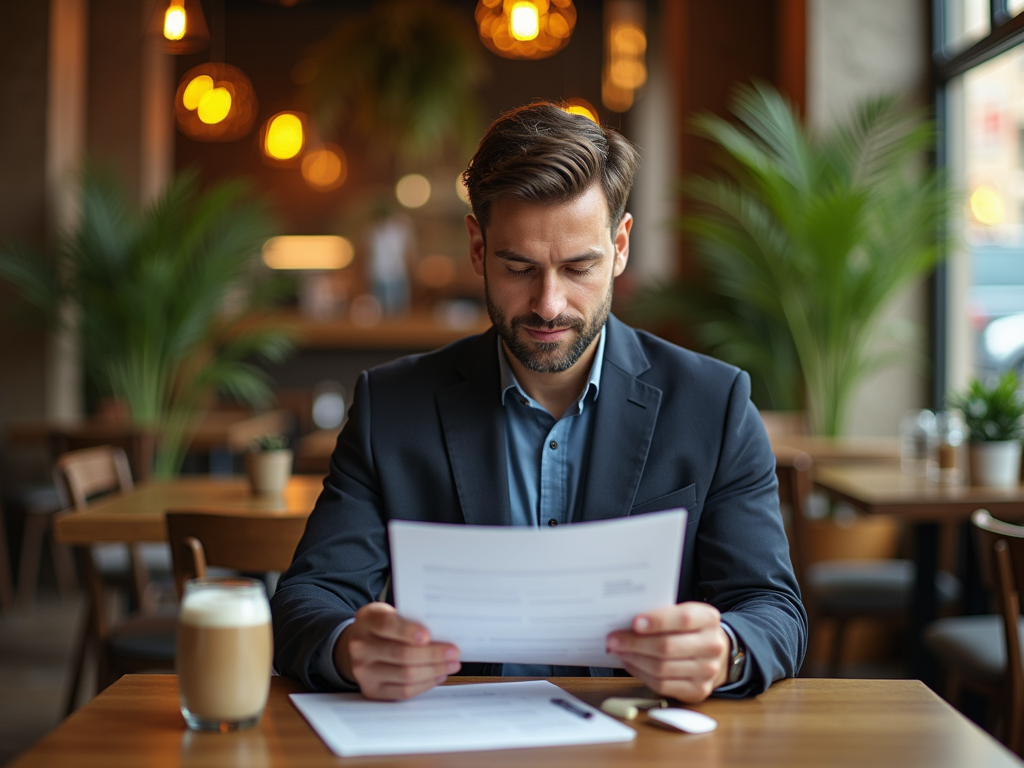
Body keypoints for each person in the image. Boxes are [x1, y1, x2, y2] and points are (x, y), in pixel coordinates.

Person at [272, 102, 806, 703]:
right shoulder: (391, 407)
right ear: (478, 249)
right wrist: (349, 646)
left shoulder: (715, 404)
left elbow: (773, 609)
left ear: (621, 246)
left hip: (638, 738)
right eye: (519, 267)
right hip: (450, 738)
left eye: (579, 267)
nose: (549, 304)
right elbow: (306, 601)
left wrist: (725, 649)